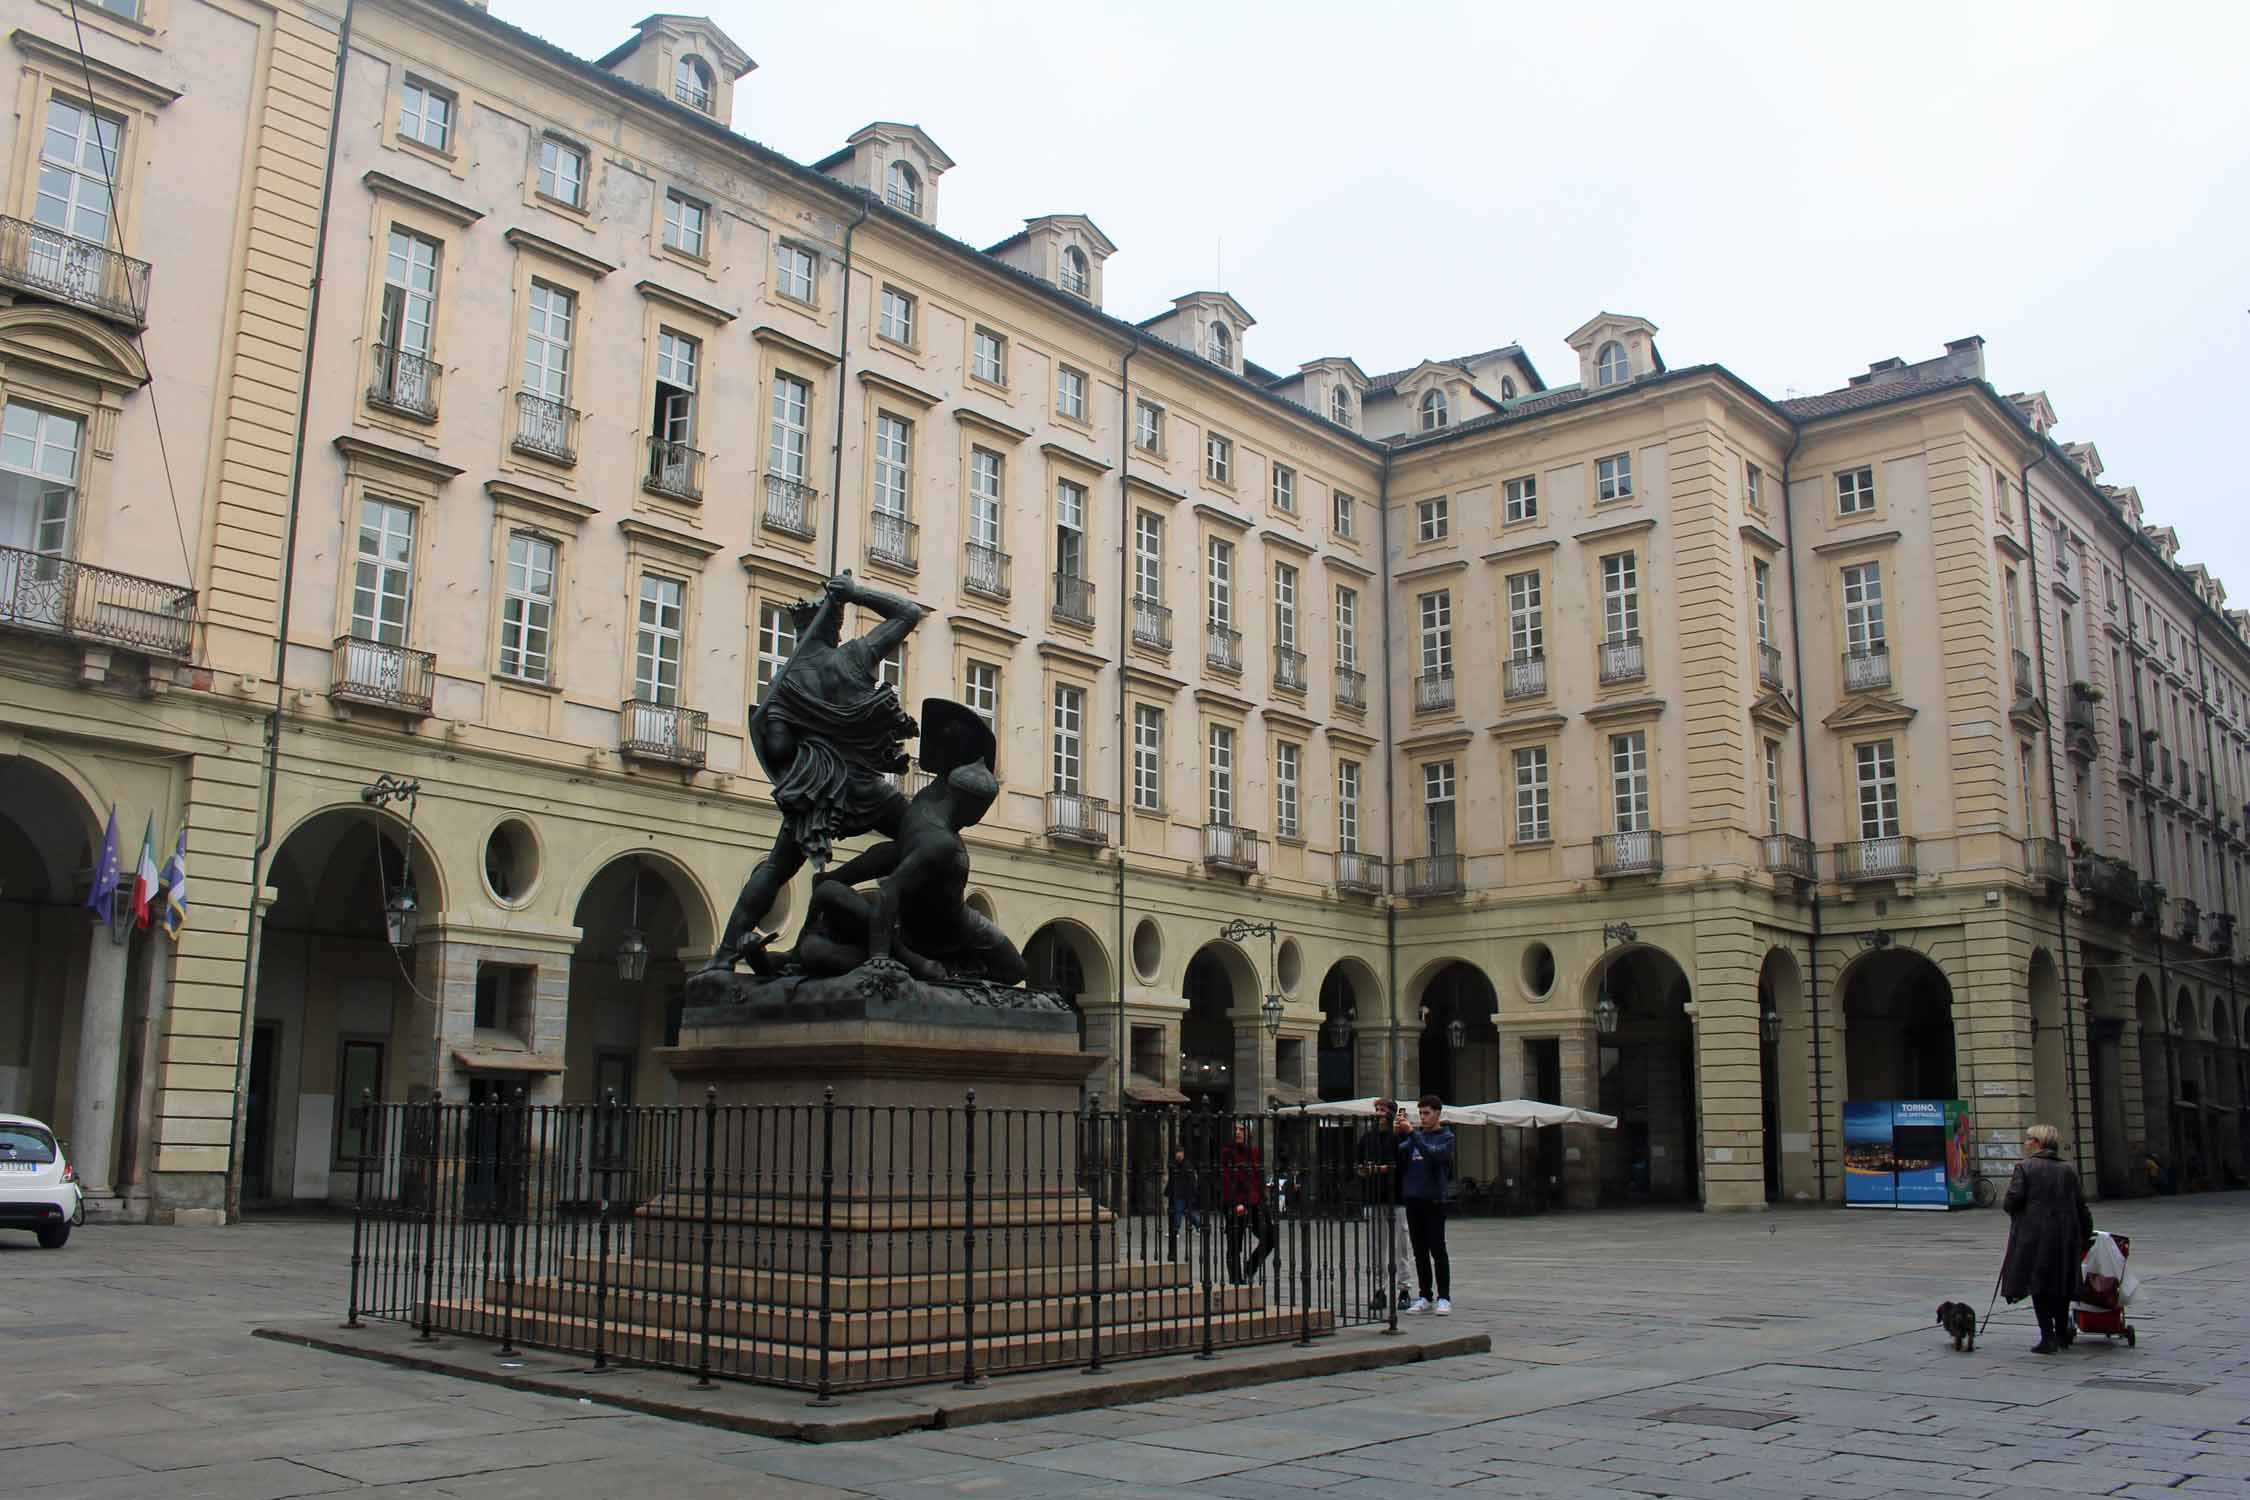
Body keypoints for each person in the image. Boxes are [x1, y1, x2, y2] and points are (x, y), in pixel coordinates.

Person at [704, 572, 928, 973]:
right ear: (833, 627)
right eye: (839, 624)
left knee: (776, 867)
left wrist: (803, 731)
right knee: (921, 839)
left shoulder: (785, 682)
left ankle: (723, 954)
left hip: (816, 788)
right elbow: (908, 613)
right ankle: (897, 924)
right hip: (862, 786)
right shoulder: (852, 658)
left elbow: (778, 748)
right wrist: (857, 593)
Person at [2001, 1122, 2093, 1354]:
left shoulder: (2025, 1167)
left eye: (2028, 1139)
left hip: (2034, 1236)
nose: (2025, 1143)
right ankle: (2062, 1334)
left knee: (2038, 1284)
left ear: (2038, 1143)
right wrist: (2086, 1234)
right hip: (2065, 1235)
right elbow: (2081, 1206)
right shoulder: (2068, 1169)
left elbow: (2012, 1202)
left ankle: (2047, 1337)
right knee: (2060, 1282)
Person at [1397, 1094, 1455, 1315]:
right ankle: (1424, 1295)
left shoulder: (1446, 1137)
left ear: (1437, 1114)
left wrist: (1413, 1134)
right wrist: (1397, 1134)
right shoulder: (1414, 1138)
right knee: (1419, 1251)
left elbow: (1434, 1156)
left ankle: (1444, 1297)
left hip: (1433, 1200)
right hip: (1413, 1199)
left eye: (1426, 1113)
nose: (1423, 1117)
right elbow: (1399, 1153)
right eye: (1420, 1113)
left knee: (1437, 1250)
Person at [1356, 1098, 1411, 1311]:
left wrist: (1384, 1169)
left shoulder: (1399, 1136)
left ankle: (1404, 1288)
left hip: (1396, 1197)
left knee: (1400, 1245)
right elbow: (1358, 1162)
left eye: (1383, 1109)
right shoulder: (1368, 1137)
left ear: (1392, 1113)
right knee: (1376, 1247)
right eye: (1377, 1109)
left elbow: (1404, 1164)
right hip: (1373, 1196)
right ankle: (1380, 1289)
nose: (1379, 1113)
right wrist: (1363, 1170)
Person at [1219, 1121, 1277, 1285]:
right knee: (1235, 1244)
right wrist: (1236, 1202)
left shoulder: (1254, 1152)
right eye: (1235, 1129)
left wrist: (1263, 1200)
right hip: (1236, 1203)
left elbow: (1258, 1177)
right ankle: (1236, 1279)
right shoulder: (1227, 1152)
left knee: (1270, 1237)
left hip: (1255, 1202)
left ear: (1248, 1132)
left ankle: (1250, 1266)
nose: (1237, 1132)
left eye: (1241, 1129)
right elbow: (1226, 1179)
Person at [1165, 1148, 1203, 1260]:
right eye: (1177, 1153)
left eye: (1180, 1153)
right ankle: (1199, 1225)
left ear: (1183, 1154)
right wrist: (1168, 1191)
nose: (1178, 1155)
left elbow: (1192, 1181)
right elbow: (1172, 1180)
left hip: (1184, 1194)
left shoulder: (1187, 1165)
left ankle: (1175, 1230)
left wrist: (1192, 1194)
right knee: (1187, 1213)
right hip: (1178, 1193)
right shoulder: (1175, 1165)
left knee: (1179, 1210)